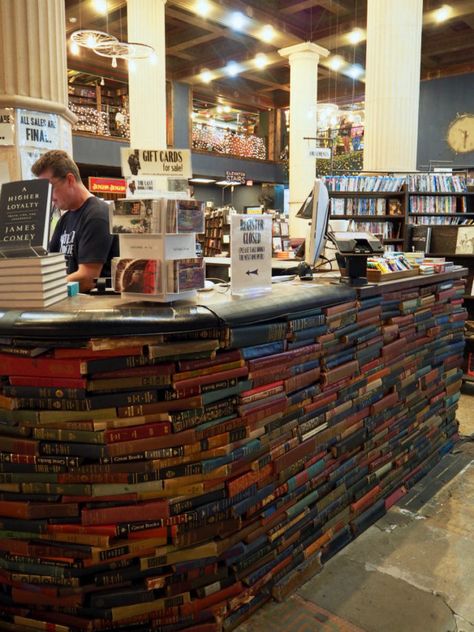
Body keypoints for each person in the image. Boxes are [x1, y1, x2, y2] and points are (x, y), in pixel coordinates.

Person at [31, 150, 118, 292]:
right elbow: (50, 265)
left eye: (50, 188)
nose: (49, 196)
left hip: (94, 309)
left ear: (70, 180)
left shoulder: (97, 215)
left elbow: (87, 279)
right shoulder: (65, 219)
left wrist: (40, 288)